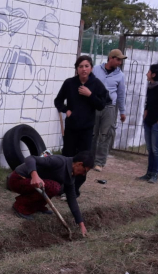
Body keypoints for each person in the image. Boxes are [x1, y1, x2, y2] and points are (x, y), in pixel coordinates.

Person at [54, 55, 110, 198]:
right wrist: (65, 110)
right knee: (68, 157)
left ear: (91, 68)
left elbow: (102, 104)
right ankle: (64, 187)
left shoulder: (96, 84)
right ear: (77, 69)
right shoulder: (69, 83)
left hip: (86, 128)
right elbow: (58, 100)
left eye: (86, 66)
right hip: (71, 127)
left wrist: (90, 94)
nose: (84, 69)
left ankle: (75, 189)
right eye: (80, 66)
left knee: (84, 160)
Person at [7, 151, 94, 238]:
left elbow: (72, 199)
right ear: (79, 164)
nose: (83, 174)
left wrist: (81, 224)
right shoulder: (59, 161)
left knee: (56, 188)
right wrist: (34, 175)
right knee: (54, 187)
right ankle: (20, 207)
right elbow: (30, 158)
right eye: (85, 171)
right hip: (18, 179)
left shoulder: (71, 177)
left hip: (33, 184)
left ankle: (37, 206)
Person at [91, 49, 128, 172]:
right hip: (95, 105)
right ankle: (89, 159)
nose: (119, 62)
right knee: (92, 133)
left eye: (121, 60)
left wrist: (122, 112)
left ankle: (100, 162)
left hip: (109, 107)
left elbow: (121, 94)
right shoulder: (95, 69)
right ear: (110, 58)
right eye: (118, 59)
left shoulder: (120, 75)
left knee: (106, 134)